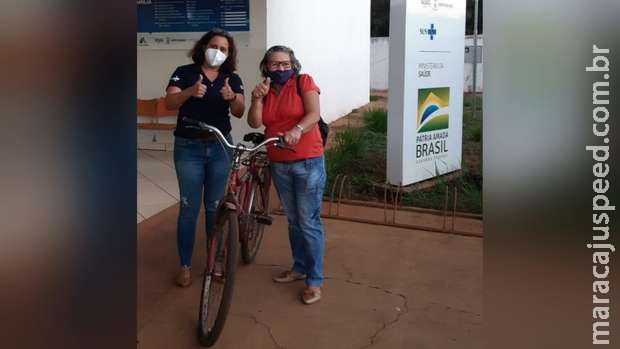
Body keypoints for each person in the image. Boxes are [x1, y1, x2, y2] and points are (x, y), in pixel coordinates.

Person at [165, 29, 245, 287]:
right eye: (214, 46)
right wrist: (189, 92)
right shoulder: (185, 72)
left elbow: (240, 111)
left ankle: (214, 261)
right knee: (189, 208)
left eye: (224, 49)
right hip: (189, 148)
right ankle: (185, 265)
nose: (218, 52)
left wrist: (232, 98)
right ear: (203, 46)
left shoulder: (231, 78)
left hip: (220, 148)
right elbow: (169, 102)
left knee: (214, 208)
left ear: (229, 54)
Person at [248, 45, 326, 305]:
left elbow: (314, 114)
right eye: (274, 64)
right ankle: (299, 267)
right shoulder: (265, 89)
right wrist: (256, 99)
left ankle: (314, 281)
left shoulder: (304, 81)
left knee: (308, 221)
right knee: (293, 220)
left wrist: (297, 129)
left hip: (307, 160)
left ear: (293, 64)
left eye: (285, 64)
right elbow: (254, 122)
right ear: (266, 67)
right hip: (279, 162)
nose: (280, 68)